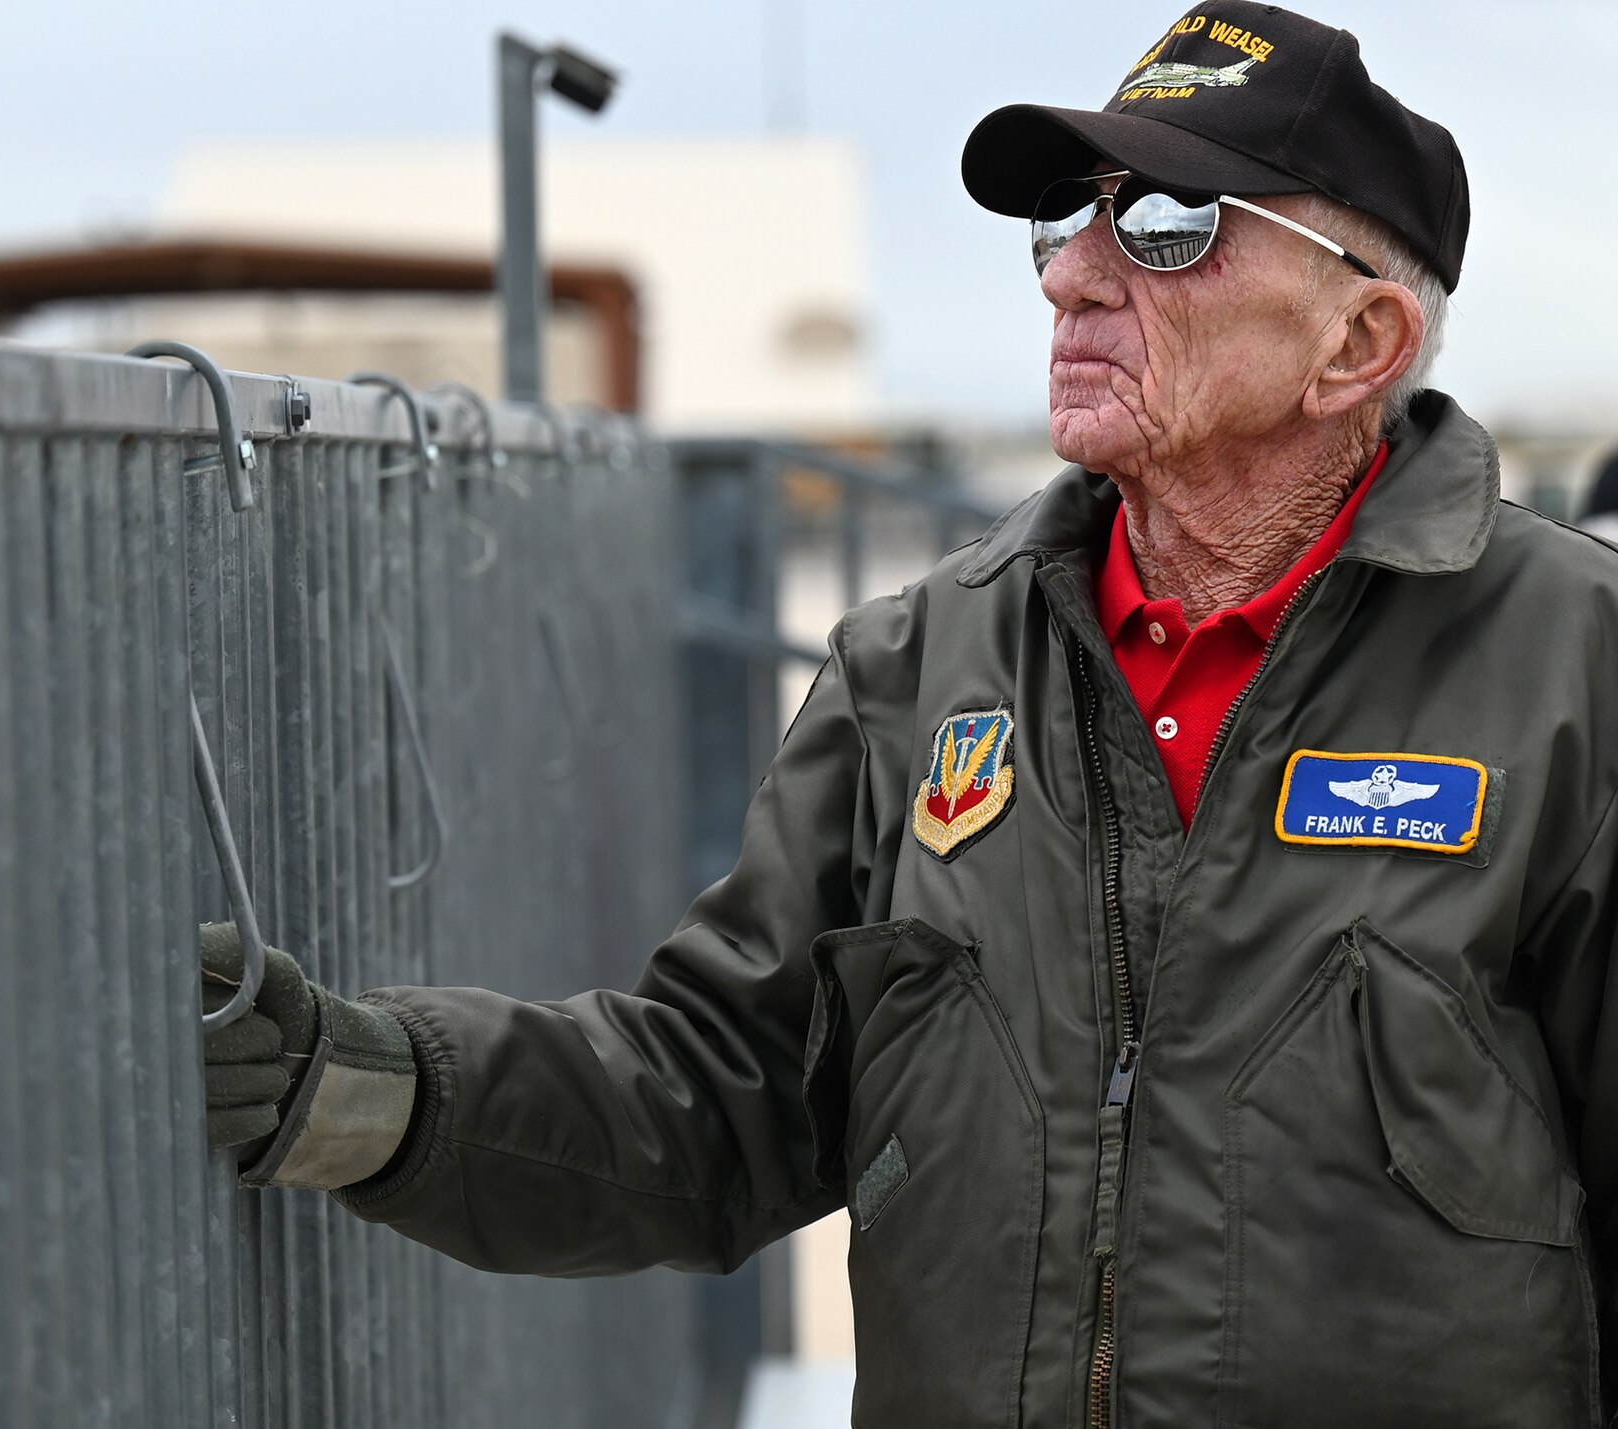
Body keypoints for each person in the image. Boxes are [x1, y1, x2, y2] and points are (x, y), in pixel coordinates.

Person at [202, 6, 1618, 1424]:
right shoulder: (918, 665)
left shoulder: (1573, 664)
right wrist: (356, 1084)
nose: (1072, 274)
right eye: (1073, 218)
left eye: (1172, 223)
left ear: (1360, 339)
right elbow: (716, 1092)